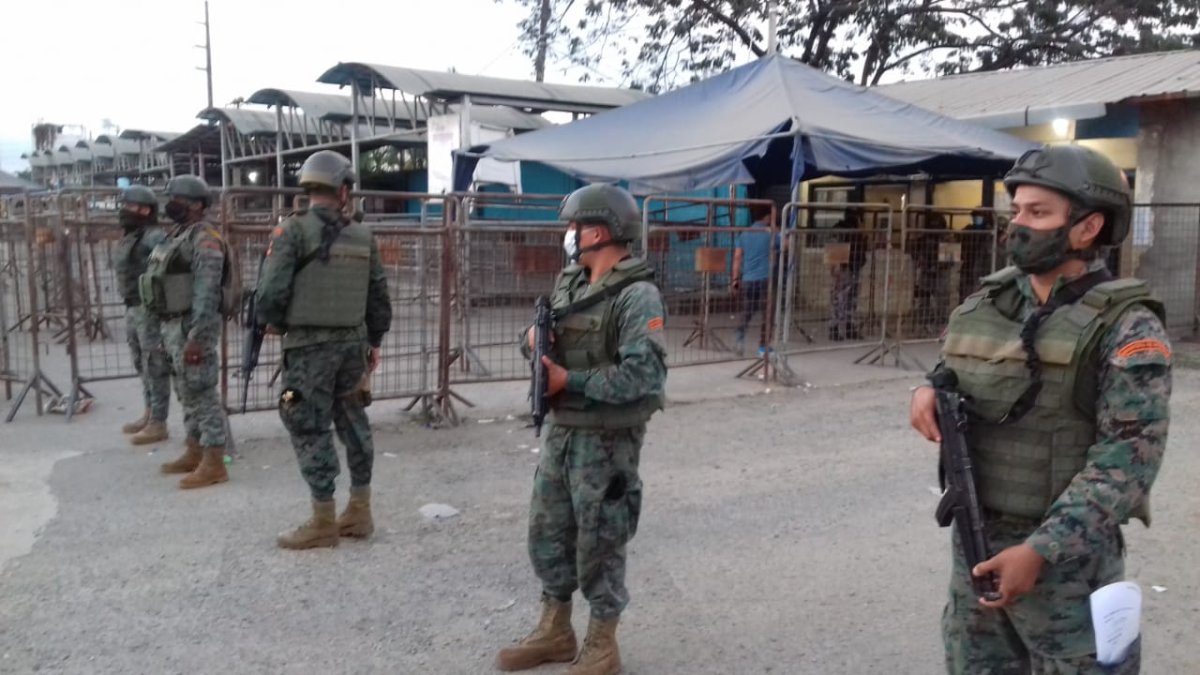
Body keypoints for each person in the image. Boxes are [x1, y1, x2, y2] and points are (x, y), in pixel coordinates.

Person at [909, 144, 1170, 674]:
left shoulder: (1128, 326)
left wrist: (1041, 551)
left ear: (1087, 227)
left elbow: (1127, 461)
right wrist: (929, 389)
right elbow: (953, 368)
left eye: (1038, 213)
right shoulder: (989, 301)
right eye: (1017, 211)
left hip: (1067, 563)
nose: (1018, 226)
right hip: (976, 540)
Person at [496, 183, 668, 675]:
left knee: (600, 538)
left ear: (596, 231)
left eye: (573, 228)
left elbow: (646, 376)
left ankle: (602, 643)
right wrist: (532, 342)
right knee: (548, 530)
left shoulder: (638, 296)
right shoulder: (571, 283)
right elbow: (541, 343)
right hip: (564, 432)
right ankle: (555, 630)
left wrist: (570, 379)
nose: (568, 236)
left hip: (607, 439)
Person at [255, 150, 392, 550]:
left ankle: (322, 519)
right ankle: (360, 511)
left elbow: (269, 294)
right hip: (352, 347)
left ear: (310, 188)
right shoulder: (364, 236)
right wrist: (373, 343)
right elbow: (379, 299)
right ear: (344, 190)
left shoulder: (291, 232)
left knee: (302, 419)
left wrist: (278, 325)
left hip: (307, 351)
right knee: (354, 422)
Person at [143, 174, 231, 489]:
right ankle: (195, 450)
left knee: (202, 392)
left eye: (176, 198)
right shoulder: (182, 234)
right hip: (175, 326)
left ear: (195, 204)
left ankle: (215, 460)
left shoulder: (205, 238)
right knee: (187, 392)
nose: (170, 204)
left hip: (193, 328)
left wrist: (197, 336)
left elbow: (207, 291)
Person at [113, 184, 171, 445]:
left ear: (146, 210)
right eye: (125, 205)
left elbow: (167, 271)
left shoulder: (153, 237)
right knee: (141, 362)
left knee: (155, 364)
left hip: (149, 309)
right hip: (133, 307)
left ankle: (158, 421)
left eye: (131, 206)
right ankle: (149, 413)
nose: (126, 211)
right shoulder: (132, 235)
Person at [731, 203, 774, 354]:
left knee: (747, 311)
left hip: (748, 279)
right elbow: (787, 245)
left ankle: (739, 339)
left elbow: (737, 258)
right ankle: (764, 345)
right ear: (767, 216)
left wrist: (735, 280)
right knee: (768, 313)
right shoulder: (769, 233)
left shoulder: (744, 233)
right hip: (765, 279)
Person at [828, 207, 869, 341]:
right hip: (844, 269)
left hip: (854, 268)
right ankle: (835, 328)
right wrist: (836, 268)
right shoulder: (841, 229)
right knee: (839, 300)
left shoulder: (856, 230)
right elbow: (833, 249)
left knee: (851, 300)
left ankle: (848, 327)